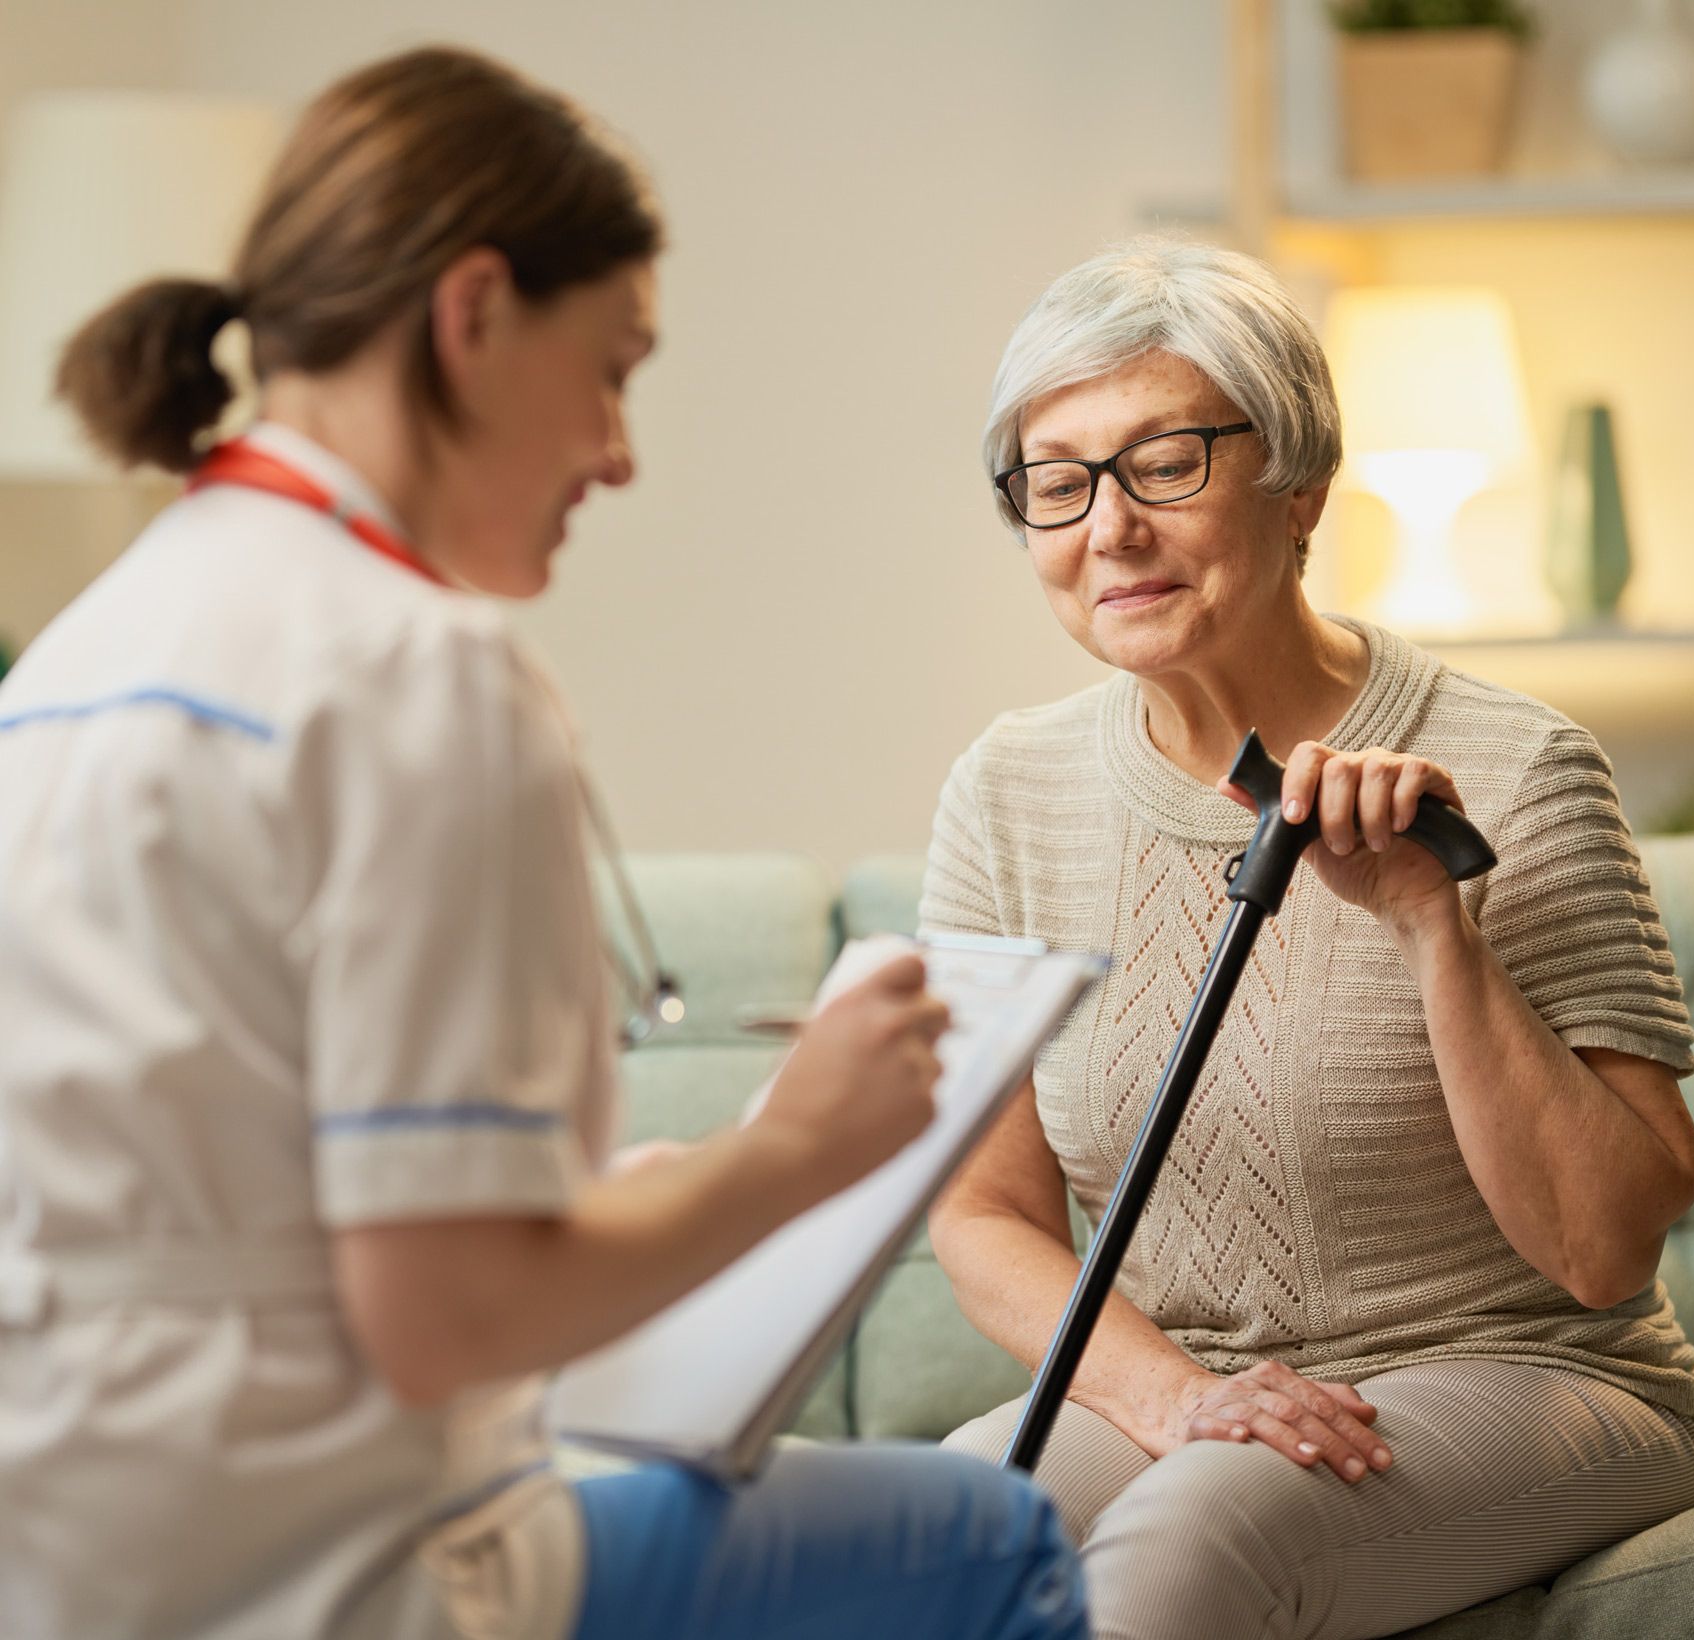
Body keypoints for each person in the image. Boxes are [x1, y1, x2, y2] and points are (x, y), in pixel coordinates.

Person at [0, 47, 1085, 1640]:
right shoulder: (416, 669)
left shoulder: (77, 661)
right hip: (327, 1580)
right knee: (995, 1541)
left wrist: (600, 1193)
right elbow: (448, 1316)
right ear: (477, 311)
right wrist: (798, 1154)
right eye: (616, 368)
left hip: (70, 1562)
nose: (620, 451)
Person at [924, 237, 1694, 1640]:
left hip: (1534, 1374)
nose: (1109, 528)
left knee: (1195, 1533)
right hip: (1205, 1383)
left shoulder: (1522, 768)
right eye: (1058, 481)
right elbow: (984, 1214)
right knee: (926, 1542)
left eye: (1167, 462)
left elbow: (1606, 1253)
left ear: (1301, 489)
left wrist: (1431, 923)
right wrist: (1177, 1396)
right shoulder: (1009, 792)